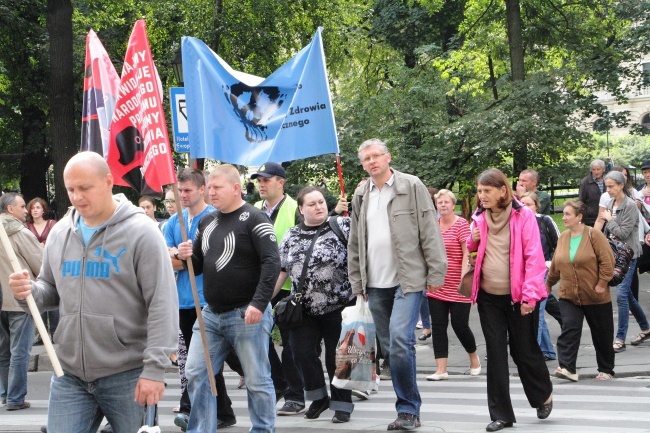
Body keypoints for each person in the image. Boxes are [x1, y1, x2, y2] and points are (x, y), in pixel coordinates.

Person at [9, 152, 178, 433]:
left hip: (128, 374)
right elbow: (50, 290)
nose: (77, 196)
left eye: (85, 187)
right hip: (69, 374)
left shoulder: (142, 232)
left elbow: (162, 304)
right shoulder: (61, 232)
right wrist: (27, 292)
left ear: (109, 182)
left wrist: (155, 370)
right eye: (71, 189)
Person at [348, 138, 447, 430]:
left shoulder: (410, 185)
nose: (372, 161)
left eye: (376, 156)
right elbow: (355, 240)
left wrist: (436, 272)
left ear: (388, 157)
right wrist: (357, 280)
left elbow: (429, 228)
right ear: (363, 164)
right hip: (374, 283)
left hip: (408, 279)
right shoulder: (361, 193)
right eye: (366, 159)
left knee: (401, 340)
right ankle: (408, 405)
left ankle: (408, 410)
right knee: (392, 347)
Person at [177, 164, 279, 433]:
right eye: (209, 187)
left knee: (256, 379)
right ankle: (201, 429)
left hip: (246, 313)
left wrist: (258, 303)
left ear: (235, 188)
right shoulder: (206, 222)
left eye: (216, 187)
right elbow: (197, 265)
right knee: (196, 372)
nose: (211, 192)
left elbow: (271, 262)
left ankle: (262, 430)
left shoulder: (255, 218)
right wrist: (185, 254)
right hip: (210, 314)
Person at [467, 168, 553, 432]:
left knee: (523, 350)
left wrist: (529, 296)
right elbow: (472, 252)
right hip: (488, 296)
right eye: (479, 192)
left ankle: (543, 395)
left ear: (502, 190)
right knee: (494, 353)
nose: (482, 196)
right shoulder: (479, 217)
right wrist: (473, 240)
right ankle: (502, 414)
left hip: (519, 298)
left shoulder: (523, 216)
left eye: (487, 191)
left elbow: (534, 259)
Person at [163, 168, 239, 430]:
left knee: (209, 359)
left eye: (187, 190)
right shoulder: (175, 222)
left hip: (210, 299)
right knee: (206, 362)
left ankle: (192, 408)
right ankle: (223, 412)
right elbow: (167, 260)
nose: (182, 195)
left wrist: (184, 257)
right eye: (179, 191)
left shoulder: (213, 218)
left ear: (202, 189)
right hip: (185, 299)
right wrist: (179, 258)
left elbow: (208, 260)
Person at [275, 186, 355, 423]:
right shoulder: (291, 235)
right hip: (304, 309)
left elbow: (361, 256)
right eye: (312, 204)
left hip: (339, 306)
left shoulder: (341, 226)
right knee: (301, 353)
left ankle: (342, 404)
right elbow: (282, 270)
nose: (318, 207)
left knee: (337, 358)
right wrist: (263, 300)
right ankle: (319, 397)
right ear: (301, 209)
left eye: (321, 202)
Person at [251, 161, 306, 415]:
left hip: (289, 288)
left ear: (280, 182)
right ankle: (281, 384)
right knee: (258, 340)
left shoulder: (295, 209)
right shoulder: (252, 210)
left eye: (266, 180)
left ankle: (296, 395)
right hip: (261, 286)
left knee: (291, 343)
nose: (261, 184)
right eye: (259, 180)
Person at [546, 200, 615, 381]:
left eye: (568, 214)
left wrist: (601, 285)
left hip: (595, 294)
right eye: (564, 213)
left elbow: (608, 263)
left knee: (602, 333)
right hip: (568, 295)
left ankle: (606, 369)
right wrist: (547, 285)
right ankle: (568, 368)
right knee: (569, 328)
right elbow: (556, 265)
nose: (564, 217)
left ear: (579, 217)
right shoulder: (563, 238)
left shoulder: (594, 235)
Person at [425, 189, 480, 381]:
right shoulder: (433, 225)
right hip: (437, 284)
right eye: (439, 202)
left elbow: (468, 252)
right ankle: (441, 369)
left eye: (446, 202)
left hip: (458, 283)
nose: (443, 205)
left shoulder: (461, 224)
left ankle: (474, 358)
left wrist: (464, 276)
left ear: (453, 204)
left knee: (460, 325)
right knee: (438, 326)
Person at [595, 171, 650, 352]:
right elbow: (608, 233)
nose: (608, 190)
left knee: (621, 295)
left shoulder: (630, 206)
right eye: (606, 186)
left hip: (629, 255)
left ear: (620, 185)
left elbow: (623, 233)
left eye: (611, 186)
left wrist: (609, 220)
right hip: (614, 255)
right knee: (627, 295)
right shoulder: (610, 203)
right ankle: (646, 327)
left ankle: (620, 338)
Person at [0, 193, 42, 411]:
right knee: (19, 351)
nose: (26, 210)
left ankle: (6, 394)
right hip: (20, 298)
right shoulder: (18, 232)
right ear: (10, 210)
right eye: (22, 206)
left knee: (4, 352)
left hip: (1, 300)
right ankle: (15, 398)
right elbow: (41, 264)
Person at [519, 191, 561, 361]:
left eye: (529, 204)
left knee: (538, 310)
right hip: (525, 272)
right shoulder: (517, 222)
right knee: (538, 311)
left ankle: (533, 352)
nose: (525, 208)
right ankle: (547, 351)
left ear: (536, 205)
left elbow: (559, 243)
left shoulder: (544, 221)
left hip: (542, 271)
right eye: (522, 204)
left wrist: (551, 264)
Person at [25, 197, 58, 344]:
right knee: (39, 298)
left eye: (38, 207)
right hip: (34, 266)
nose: (35, 210)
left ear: (44, 209)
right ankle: (42, 334)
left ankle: (56, 333)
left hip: (51, 262)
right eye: (33, 208)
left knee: (52, 296)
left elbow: (57, 241)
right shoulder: (26, 226)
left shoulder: (52, 224)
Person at [579, 159, 606, 227]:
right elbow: (581, 201)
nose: (596, 172)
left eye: (598, 169)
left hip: (606, 217)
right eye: (593, 169)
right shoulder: (585, 182)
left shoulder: (608, 180)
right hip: (591, 219)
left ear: (603, 169)